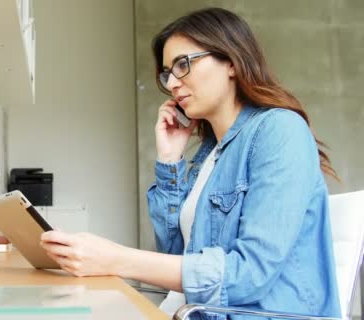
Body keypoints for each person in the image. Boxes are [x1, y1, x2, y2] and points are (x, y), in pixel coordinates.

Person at [39, 7, 341, 319]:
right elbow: (179, 261)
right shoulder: (210, 153)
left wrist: (116, 259)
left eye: (183, 64)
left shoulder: (280, 130)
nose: (171, 83)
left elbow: (249, 274)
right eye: (167, 73)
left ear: (232, 62)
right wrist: (170, 160)